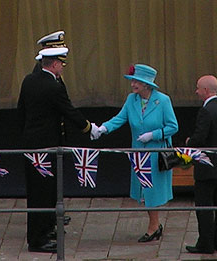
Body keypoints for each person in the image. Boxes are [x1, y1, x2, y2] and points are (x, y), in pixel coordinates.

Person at [18, 47, 93, 253]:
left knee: (43, 191)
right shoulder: (53, 87)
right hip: (45, 146)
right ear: (54, 64)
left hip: (32, 144)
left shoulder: (29, 80)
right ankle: (37, 239)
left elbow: (21, 113)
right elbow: (68, 111)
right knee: (42, 193)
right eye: (61, 63)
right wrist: (89, 128)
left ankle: (46, 227)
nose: (62, 67)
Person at [91, 64, 178, 242]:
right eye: (132, 81)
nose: (132, 85)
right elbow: (120, 118)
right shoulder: (132, 100)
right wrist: (103, 128)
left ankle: (153, 227)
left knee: (151, 191)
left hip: (155, 154)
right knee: (145, 191)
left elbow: (173, 127)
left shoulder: (163, 101)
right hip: (139, 155)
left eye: (136, 82)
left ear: (146, 84)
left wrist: (153, 135)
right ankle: (155, 225)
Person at [185, 75, 217, 254]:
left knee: (204, 207)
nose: (196, 92)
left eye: (198, 88)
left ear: (205, 91)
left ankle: (205, 244)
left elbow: (200, 137)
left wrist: (189, 142)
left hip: (206, 167)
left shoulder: (206, 111)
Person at [33, 31, 71, 229]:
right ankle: (48, 219)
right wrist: (88, 127)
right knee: (45, 184)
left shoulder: (53, 77)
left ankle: (53, 214)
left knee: (53, 182)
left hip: (54, 134)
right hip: (44, 138)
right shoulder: (40, 78)